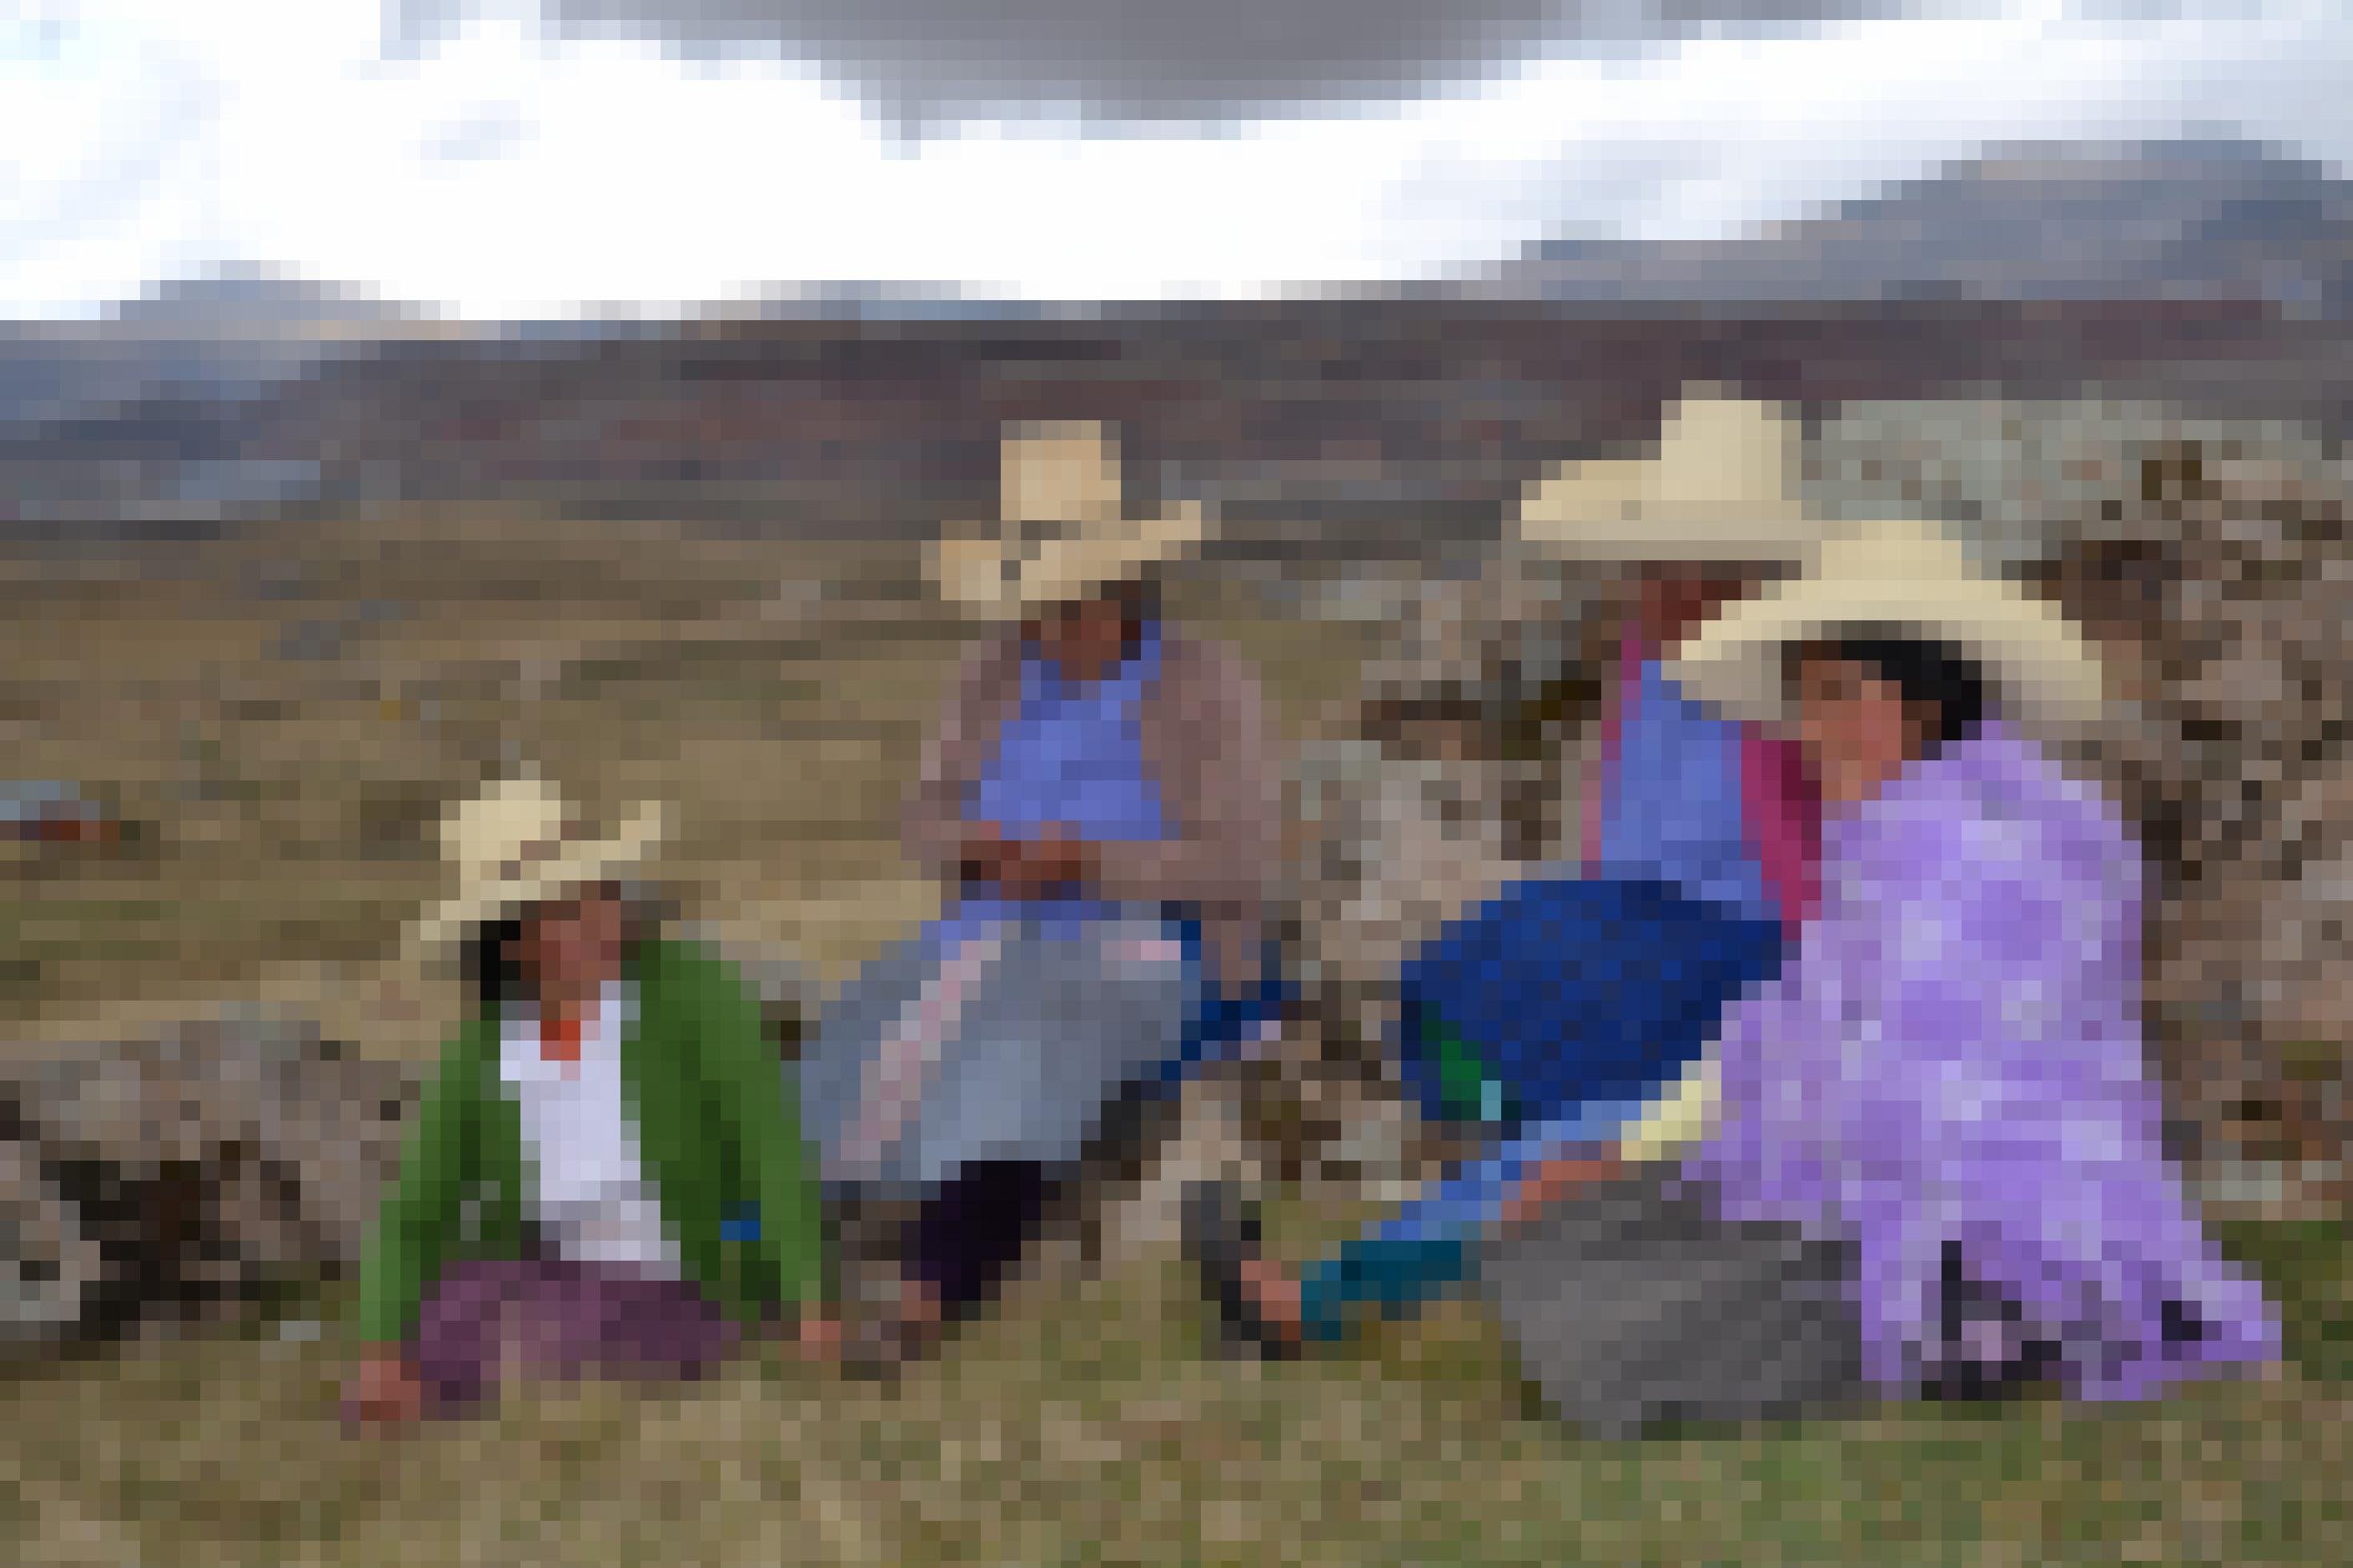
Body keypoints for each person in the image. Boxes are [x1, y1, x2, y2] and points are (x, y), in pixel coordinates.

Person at [1211, 517, 2286, 1431]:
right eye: (1801, 700)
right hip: (1885, 1191)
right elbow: (1790, 1036)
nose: (1807, 733)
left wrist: (1675, 1162)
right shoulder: (1892, 840)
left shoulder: (1980, 851)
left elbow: (1897, 1106)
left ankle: (2001, 1345)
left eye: (1832, 696)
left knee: (1601, 1300)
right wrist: (1627, 1154)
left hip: (1997, 1238)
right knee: (1568, 1206)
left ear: (1916, 700)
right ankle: (1351, 1293)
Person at [1191, 389, 1833, 1352]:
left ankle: (1323, 1299)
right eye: (1646, 566)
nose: (1651, 591)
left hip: (1740, 961)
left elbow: (1823, 874)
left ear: (1748, 572)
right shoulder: (1641, 661)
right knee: (1465, 991)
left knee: (1589, 1124)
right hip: (1634, 928)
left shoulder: (1807, 674)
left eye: (1680, 569)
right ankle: (1488, 1170)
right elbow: (1620, 818)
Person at [794, 420, 1284, 1369]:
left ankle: (928, 1293)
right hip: (986, 934)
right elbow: (922, 823)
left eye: (1074, 608)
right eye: (1039, 609)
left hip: (1150, 946)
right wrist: (982, 853)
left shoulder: (1203, 683)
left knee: (1024, 1055)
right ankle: (769, 1260)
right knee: (861, 1027)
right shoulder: (989, 676)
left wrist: (1085, 861)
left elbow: (1240, 862)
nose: (1052, 630)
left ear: (1126, 587)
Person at [345, 776, 837, 1426]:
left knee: (556, 1333)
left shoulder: (691, 988)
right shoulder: (486, 1045)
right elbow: (417, 1210)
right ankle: (416, 1382)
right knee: (464, 1294)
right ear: (513, 941)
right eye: (569, 909)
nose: (605, 918)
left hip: (688, 1271)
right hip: (554, 1268)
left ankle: (444, 1392)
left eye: (604, 892)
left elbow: (767, 1142)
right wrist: (379, 1347)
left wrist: (810, 1299)